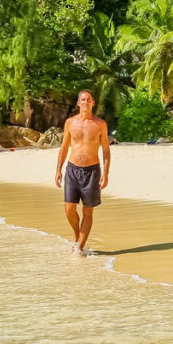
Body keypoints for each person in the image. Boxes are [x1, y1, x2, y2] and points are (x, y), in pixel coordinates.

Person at [55, 90, 111, 256]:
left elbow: (106, 150)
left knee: (88, 211)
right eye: (82, 99)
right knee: (69, 209)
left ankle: (79, 246)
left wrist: (106, 173)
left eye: (88, 99)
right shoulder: (70, 123)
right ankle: (76, 235)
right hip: (72, 169)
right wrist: (58, 170)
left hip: (92, 172)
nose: (85, 101)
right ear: (78, 103)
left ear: (93, 103)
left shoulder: (100, 124)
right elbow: (64, 147)